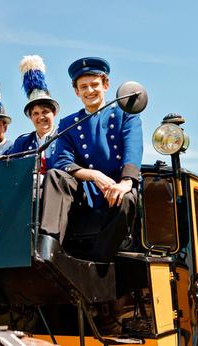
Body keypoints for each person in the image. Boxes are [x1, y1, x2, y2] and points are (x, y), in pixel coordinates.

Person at [41, 57, 143, 261]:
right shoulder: (69, 123)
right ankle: (48, 249)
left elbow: (133, 149)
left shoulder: (126, 114)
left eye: (94, 85)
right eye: (83, 87)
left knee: (129, 199)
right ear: (76, 91)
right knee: (54, 176)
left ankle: (98, 260)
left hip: (117, 189)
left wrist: (125, 183)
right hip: (86, 195)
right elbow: (62, 161)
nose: (89, 91)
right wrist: (94, 175)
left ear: (106, 85)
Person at [7, 55, 59, 171]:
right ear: (30, 117)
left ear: (54, 113)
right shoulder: (22, 143)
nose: (41, 117)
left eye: (45, 111)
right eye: (35, 113)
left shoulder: (65, 136)